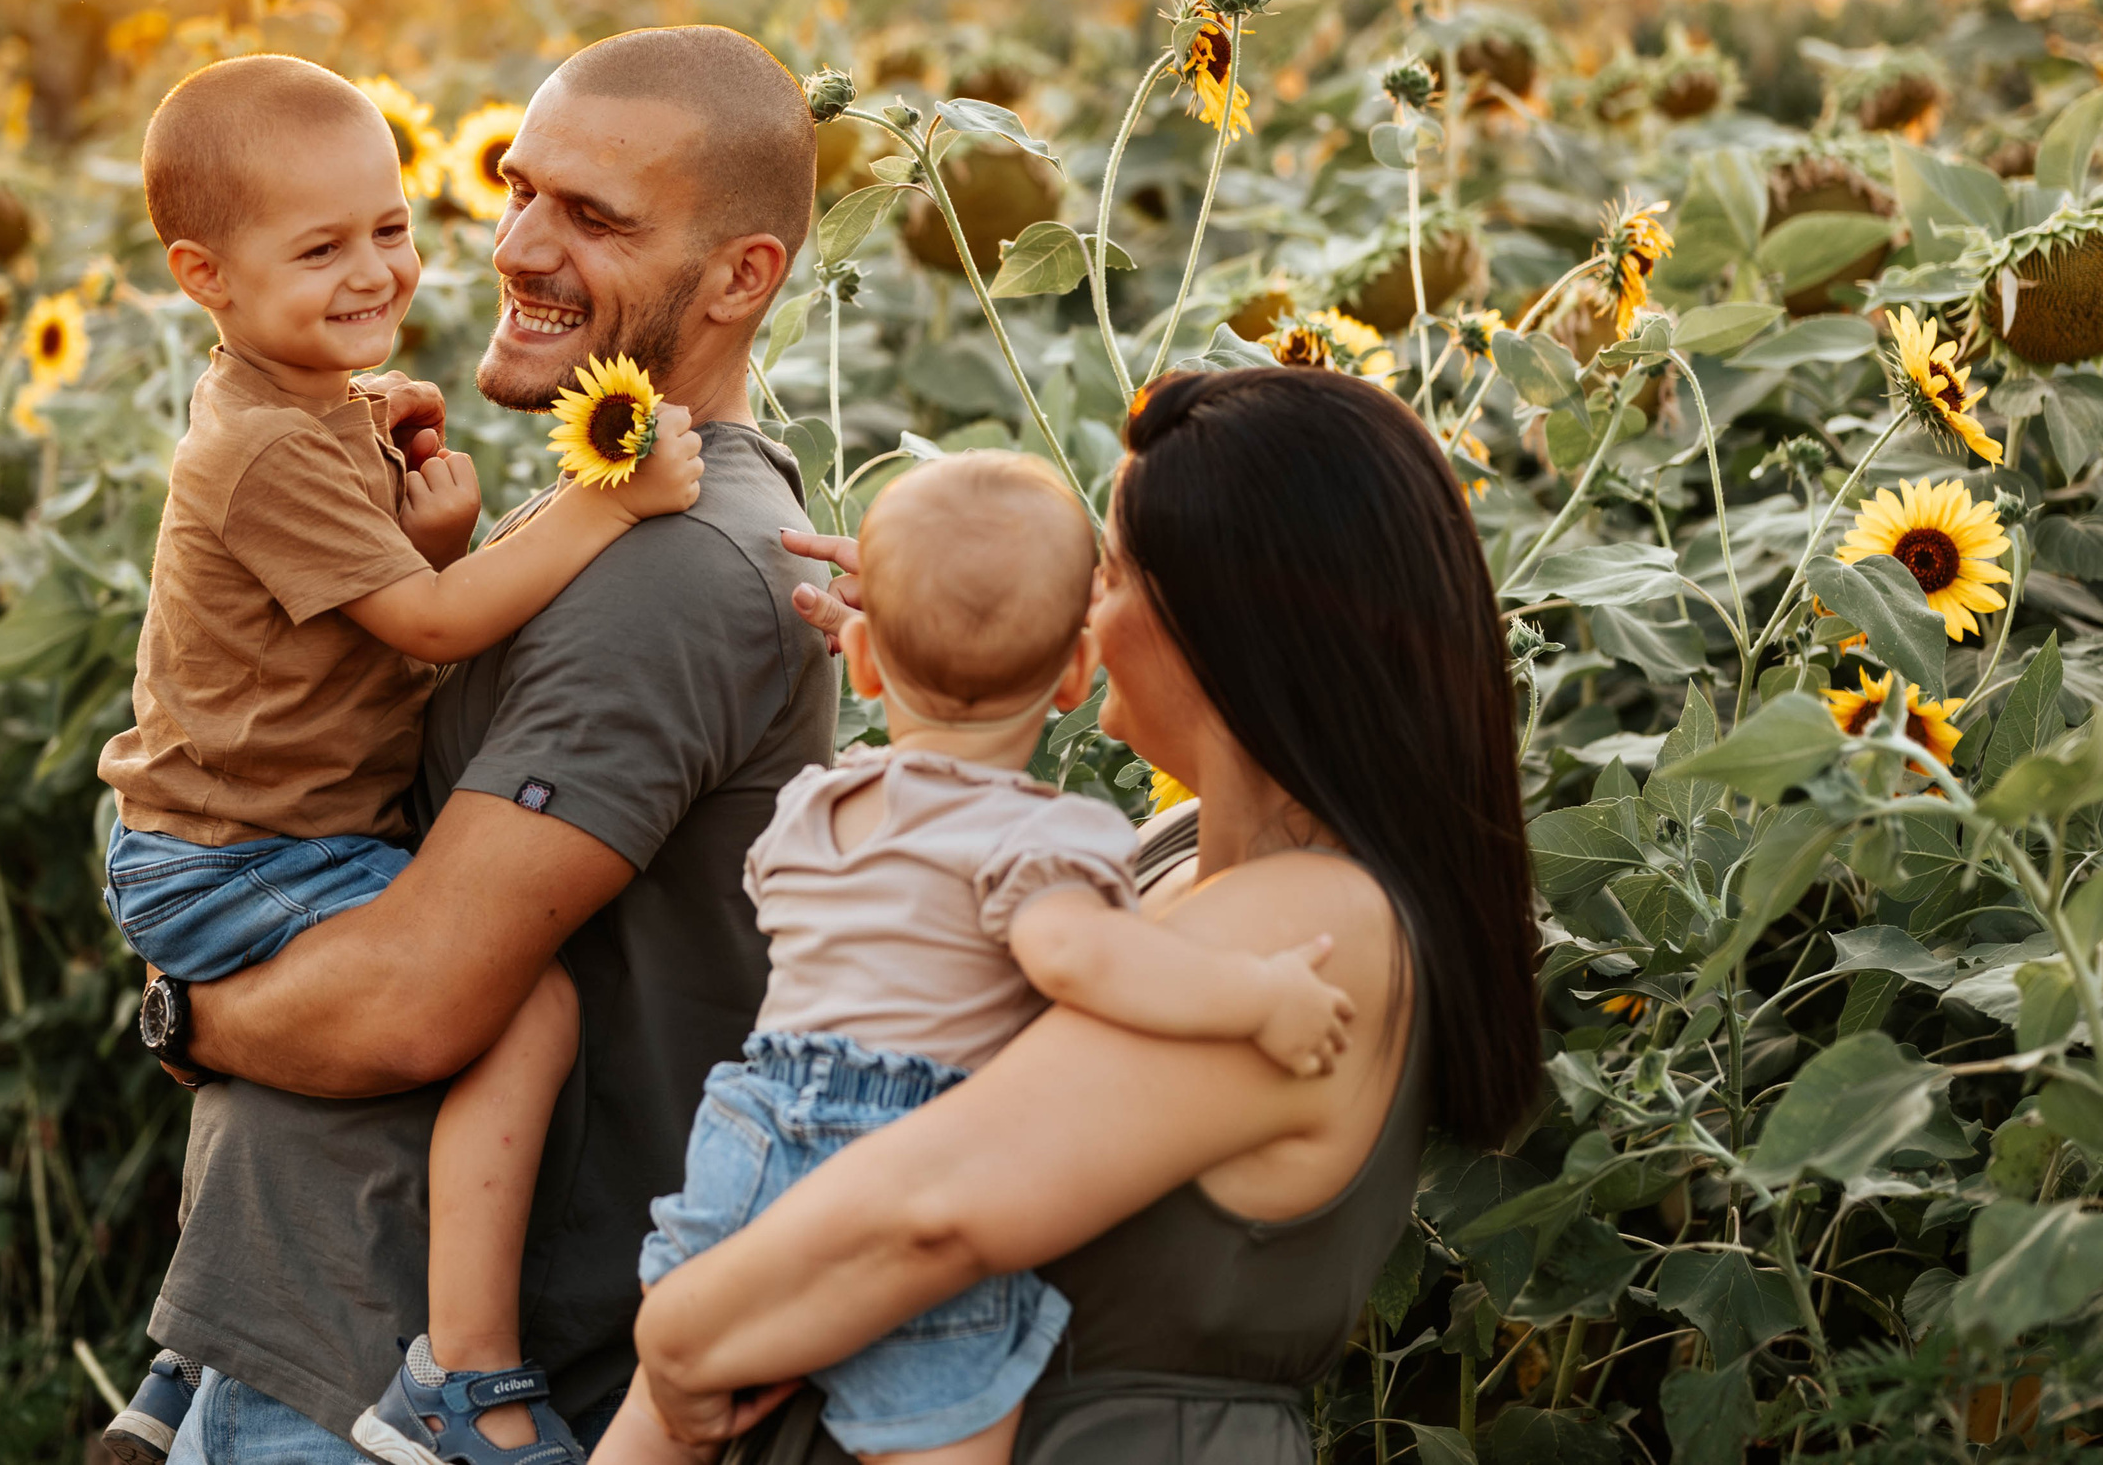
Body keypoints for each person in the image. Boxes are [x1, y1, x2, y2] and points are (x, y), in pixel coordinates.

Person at [129, 26, 840, 1465]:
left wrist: (182, 1011)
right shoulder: (603, 512)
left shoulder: (681, 565)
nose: (515, 244)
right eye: (520, 189)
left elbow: (408, 1006)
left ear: (742, 276)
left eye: (593, 215)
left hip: (407, 1361)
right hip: (320, 1312)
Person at [624, 366, 1543, 1465]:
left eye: (1100, 570)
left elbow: (934, 1206)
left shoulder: (1317, 922)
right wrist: (941, 634)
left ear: (1220, 619)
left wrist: (678, 1346)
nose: (1078, 604)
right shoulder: (1168, 852)